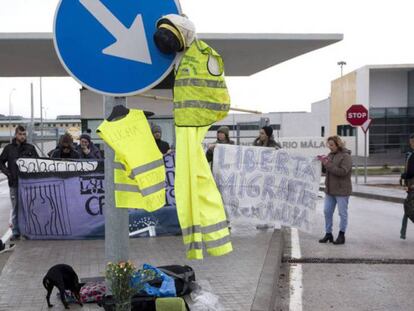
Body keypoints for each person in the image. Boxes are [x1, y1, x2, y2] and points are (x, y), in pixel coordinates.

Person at [0, 125, 39, 240]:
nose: (22, 136)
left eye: (24, 134)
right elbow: (0, 162)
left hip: (28, 184)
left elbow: (37, 163)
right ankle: (16, 232)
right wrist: (8, 173)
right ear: (16, 134)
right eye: (20, 134)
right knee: (16, 208)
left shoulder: (30, 148)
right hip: (14, 183)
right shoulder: (8, 148)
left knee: (28, 207)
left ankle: (28, 230)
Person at [318, 135, 352, 245]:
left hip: (342, 190)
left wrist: (327, 164)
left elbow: (343, 172)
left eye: (332, 145)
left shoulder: (345, 156)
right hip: (330, 190)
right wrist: (322, 163)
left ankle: (341, 234)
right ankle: (328, 234)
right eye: (328, 145)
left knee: (342, 213)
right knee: (327, 211)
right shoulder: (330, 155)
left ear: (338, 144)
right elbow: (327, 170)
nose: (329, 147)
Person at [399, 134, 414, 239]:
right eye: (410, 142)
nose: (411, 144)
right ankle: (402, 233)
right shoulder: (411, 154)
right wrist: (403, 176)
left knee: (408, 207)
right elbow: (409, 170)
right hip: (410, 184)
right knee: (408, 207)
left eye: (412, 142)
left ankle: (402, 233)